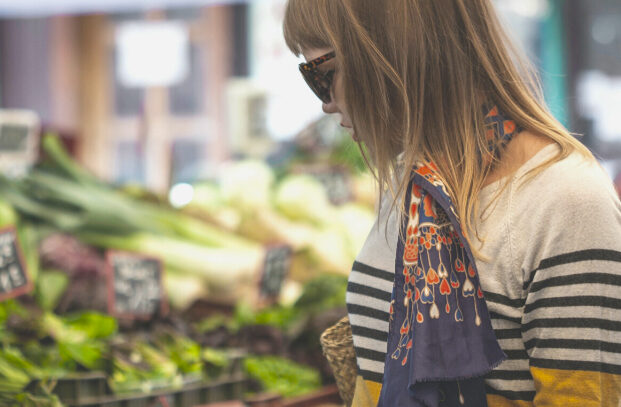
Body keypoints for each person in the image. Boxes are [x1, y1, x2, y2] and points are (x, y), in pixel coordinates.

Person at [283, 0, 621, 406]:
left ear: (387, 52)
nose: (325, 102)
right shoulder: (417, 185)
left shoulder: (565, 202)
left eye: (320, 73)